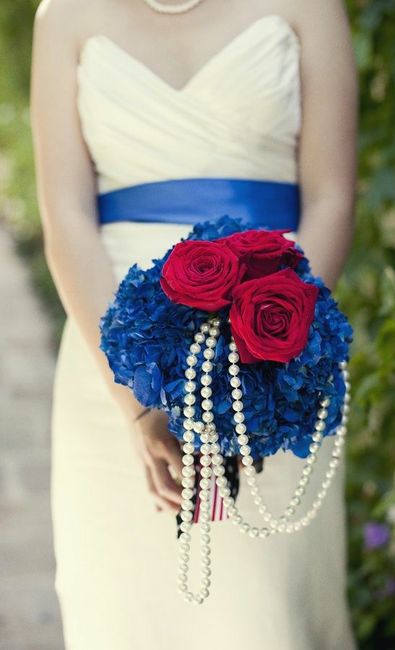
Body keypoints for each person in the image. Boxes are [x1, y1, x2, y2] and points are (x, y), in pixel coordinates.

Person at [30, 0, 359, 647]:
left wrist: (269, 354)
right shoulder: (64, 15)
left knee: (266, 611)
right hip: (110, 348)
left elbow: (332, 197)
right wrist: (137, 405)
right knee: (125, 606)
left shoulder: (311, 7)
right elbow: (65, 216)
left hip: (279, 351)